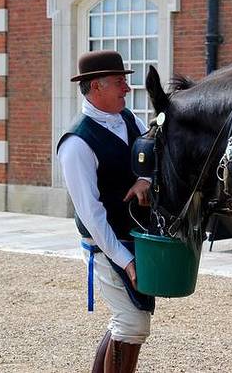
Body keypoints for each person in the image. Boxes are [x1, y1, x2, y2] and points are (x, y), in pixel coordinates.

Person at [57, 50, 154, 373]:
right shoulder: (76, 144)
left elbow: (150, 157)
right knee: (132, 323)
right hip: (104, 244)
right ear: (96, 86)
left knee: (127, 321)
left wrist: (145, 179)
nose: (127, 87)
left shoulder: (129, 118)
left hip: (134, 236)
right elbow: (91, 215)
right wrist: (125, 261)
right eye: (119, 81)